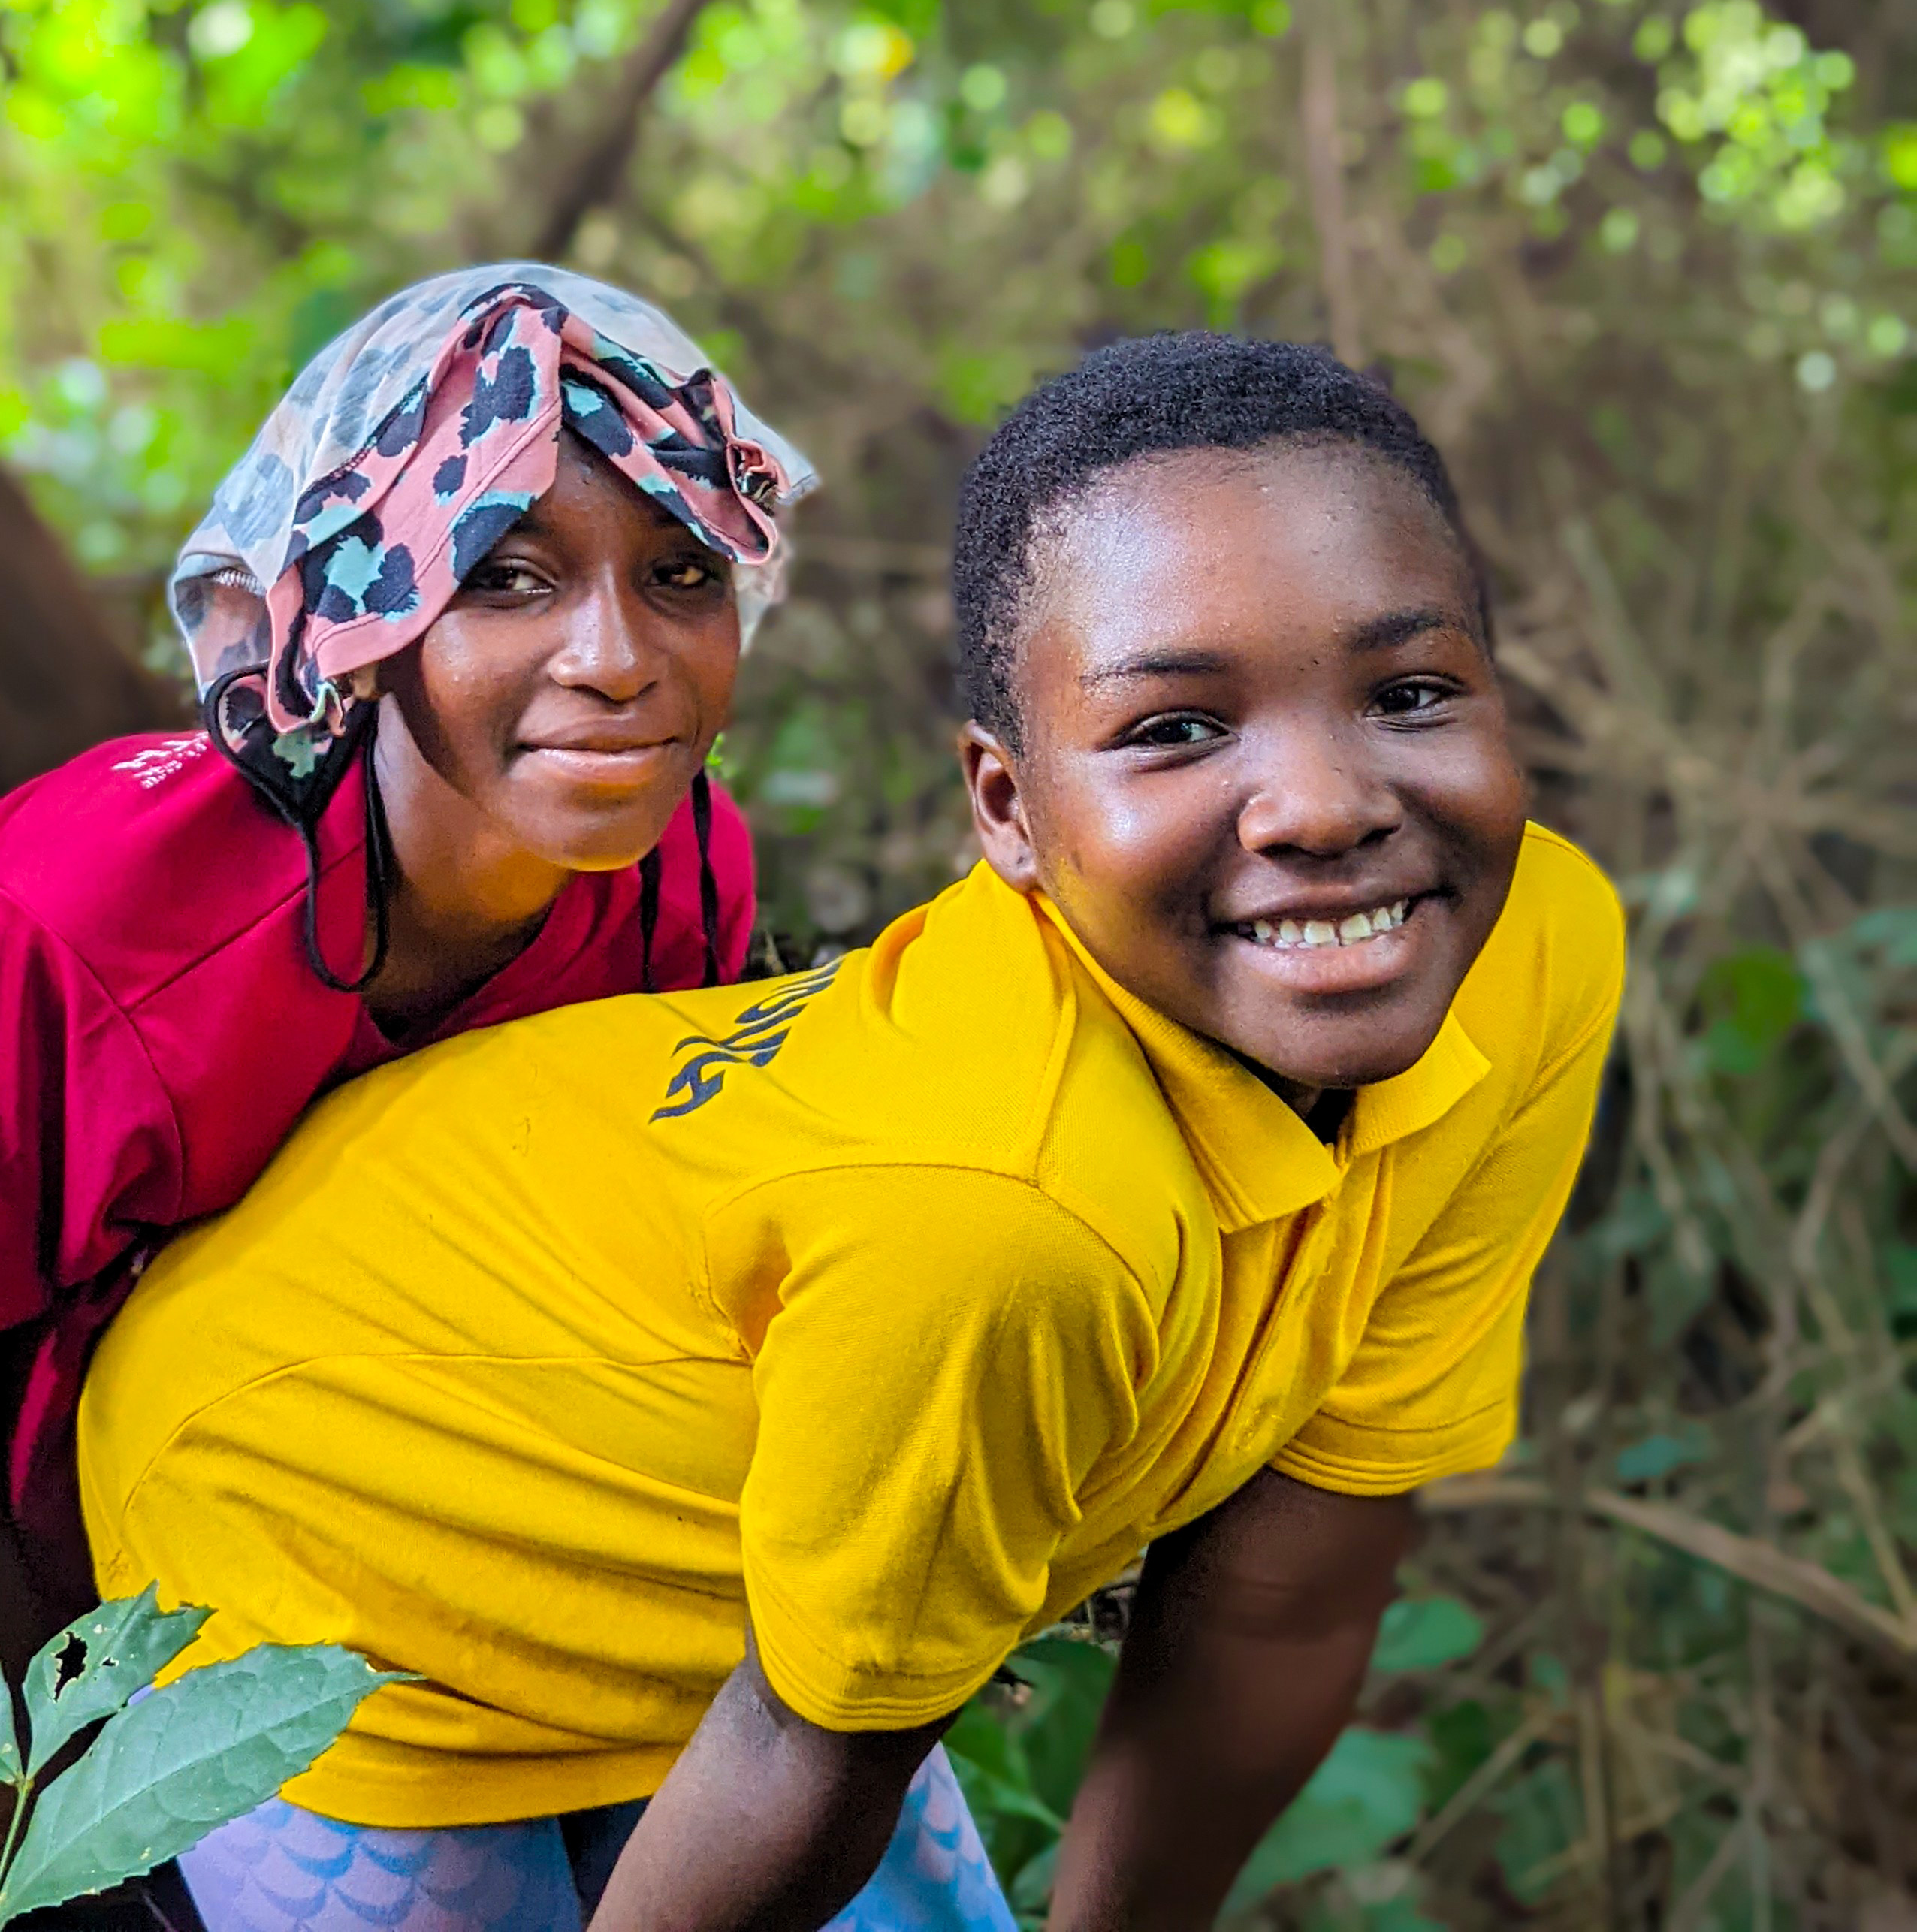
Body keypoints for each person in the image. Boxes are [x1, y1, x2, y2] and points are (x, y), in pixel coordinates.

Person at [80, 330, 1626, 1932]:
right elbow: (804, 1754)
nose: (1327, 805)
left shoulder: (1528, 949)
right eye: (1175, 727)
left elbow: (1291, 1575)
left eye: (1410, 694)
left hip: (718, 1561)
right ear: (1007, 810)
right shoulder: (1007, 1215)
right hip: (318, 1547)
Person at [0, 266, 811, 1932]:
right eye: (504, 576)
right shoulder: (112, 916)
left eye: (679, 574)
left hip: (193, 1483)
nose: (616, 658)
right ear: (367, 617)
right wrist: (7, 1753)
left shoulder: (676, 877)